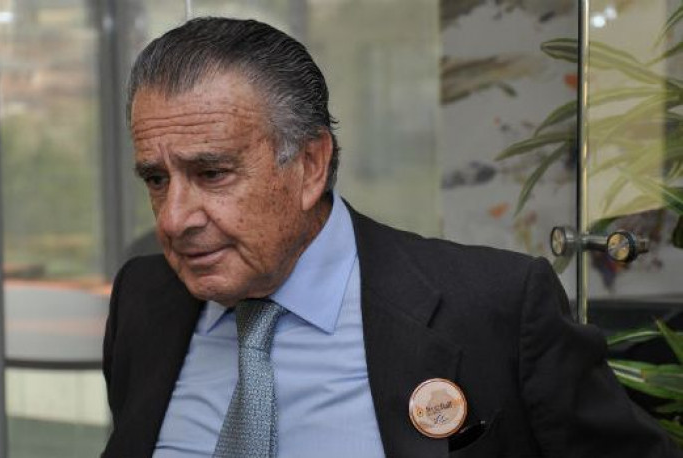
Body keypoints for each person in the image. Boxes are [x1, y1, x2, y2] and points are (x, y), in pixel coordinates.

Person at [101, 17, 680, 458]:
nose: (173, 219)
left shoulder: (493, 306)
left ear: (309, 166)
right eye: (156, 179)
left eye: (212, 173)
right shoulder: (145, 300)